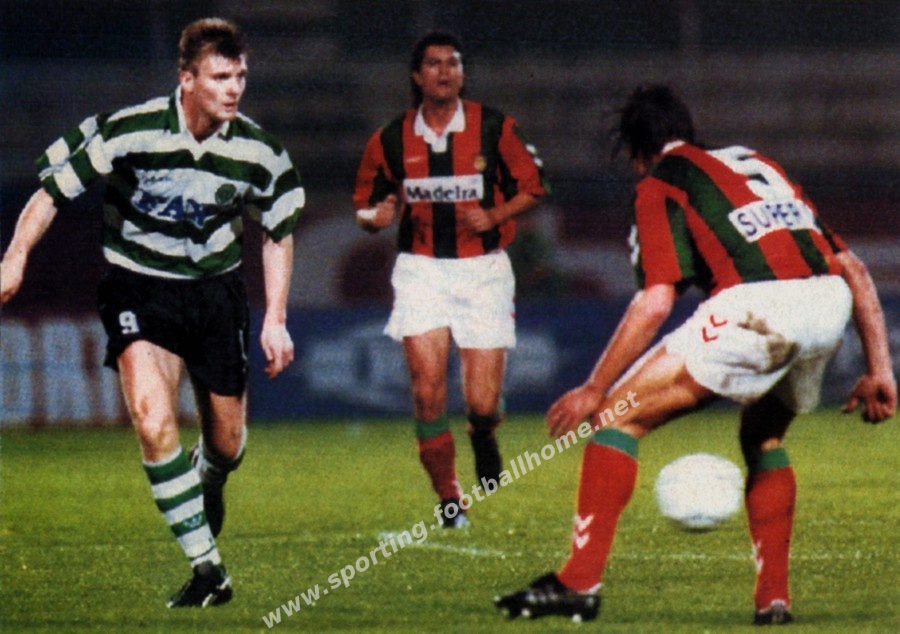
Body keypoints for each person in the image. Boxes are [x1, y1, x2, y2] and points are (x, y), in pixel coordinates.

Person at [495, 84, 896, 624]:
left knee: (615, 417)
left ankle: (579, 583)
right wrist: (879, 370)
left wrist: (594, 388)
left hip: (757, 306)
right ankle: (773, 600)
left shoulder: (661, 181)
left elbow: (655, 300)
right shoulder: (756, 163)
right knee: (763, 436)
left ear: (636, 152)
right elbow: (854, 269)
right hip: (827, 305)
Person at [0, 18, 305, 607]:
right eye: (220, 77)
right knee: (151, 418)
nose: (234, 89)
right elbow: (50, 192)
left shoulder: (259, 151)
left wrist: (276, 317)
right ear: (186, 79)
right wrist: (14, 258)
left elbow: (277, 230)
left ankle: (208, 475)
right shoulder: (130, 130)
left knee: (228, 445)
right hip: (138, 288)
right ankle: (208, 570)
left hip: (215, 294)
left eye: (240, 76)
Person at [352, 31, 549, 527]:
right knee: (426, 392)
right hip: (421, 271)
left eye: (453, 63)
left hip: (484, 271)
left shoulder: (494, 128)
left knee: (481, 404)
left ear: (462, 73)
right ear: (417, 76)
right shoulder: (390, 138)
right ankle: (449, 498)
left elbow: (535, 186)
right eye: (435, 64)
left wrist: (494, 215)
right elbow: (366, 207)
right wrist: (375, 219)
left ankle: (483, 433)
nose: (445, 71)